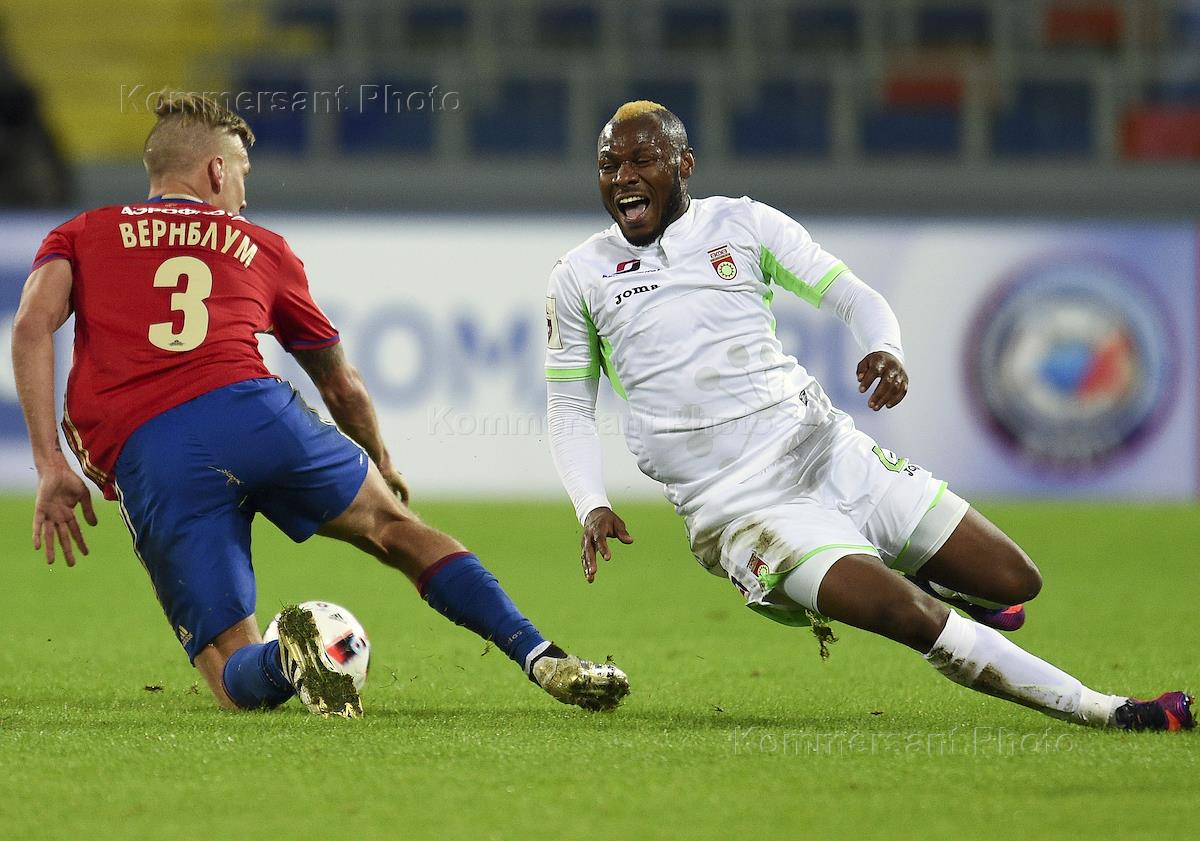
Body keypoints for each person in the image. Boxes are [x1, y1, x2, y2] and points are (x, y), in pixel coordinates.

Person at [543, 100, 1192, 732]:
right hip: (739, 508)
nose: (623, 177)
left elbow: (854, 297)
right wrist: (591, 504)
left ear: (685, 164)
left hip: (825, 449)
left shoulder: (743, 224)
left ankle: (918, 569)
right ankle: (1104, 709)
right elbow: (570, 405)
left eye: (641, 160)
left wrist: (886, 348)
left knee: (1014, 579)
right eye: (608, 165)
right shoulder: (580, 275)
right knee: (908, 615)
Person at [13, 92, 629, 718]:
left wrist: (50, 463)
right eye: (242, 175)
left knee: (230, 675)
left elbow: (31, 326)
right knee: (398, 530)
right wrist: (381, 461)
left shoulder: (81, 233)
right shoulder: (261, 246)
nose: (243, 197)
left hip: (156, 450)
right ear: (217, 171)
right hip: (256, 414)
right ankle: (537, 652)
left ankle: (287, 657)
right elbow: (341, 386)